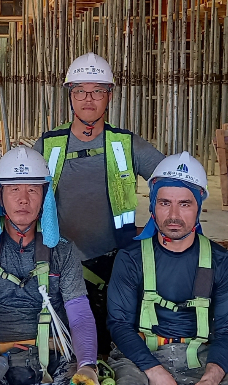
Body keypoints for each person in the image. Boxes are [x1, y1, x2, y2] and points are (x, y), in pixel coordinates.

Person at [33, 52, 164, 352]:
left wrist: (151, 234)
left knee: (112, 342)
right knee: (63, 345)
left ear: (110, 96)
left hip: (115, 262)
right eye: (80, 91)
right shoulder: (48, 145)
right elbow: (16, 195)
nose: (88, 99)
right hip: (59, 262)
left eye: (98, 91)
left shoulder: (127, 144)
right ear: (70, 95)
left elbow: (175, 183)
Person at [106, 152, 228, 385]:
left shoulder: (221, 261)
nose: (174, 215)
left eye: (184, 204)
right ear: (152, 205)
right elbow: (119, 325)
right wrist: (156, 373)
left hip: (202, 357)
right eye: (164, 203)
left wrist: (211, 378)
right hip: (139, 359)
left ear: (198, 206)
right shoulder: (131, 259)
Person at [0, 147, 99, 385]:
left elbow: (78, 311)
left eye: (32, 189)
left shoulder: (62, 248)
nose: (23, 199)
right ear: (0, 195)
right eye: (14, 189)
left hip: (53, 354)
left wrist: (88, 365)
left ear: (45, 195)